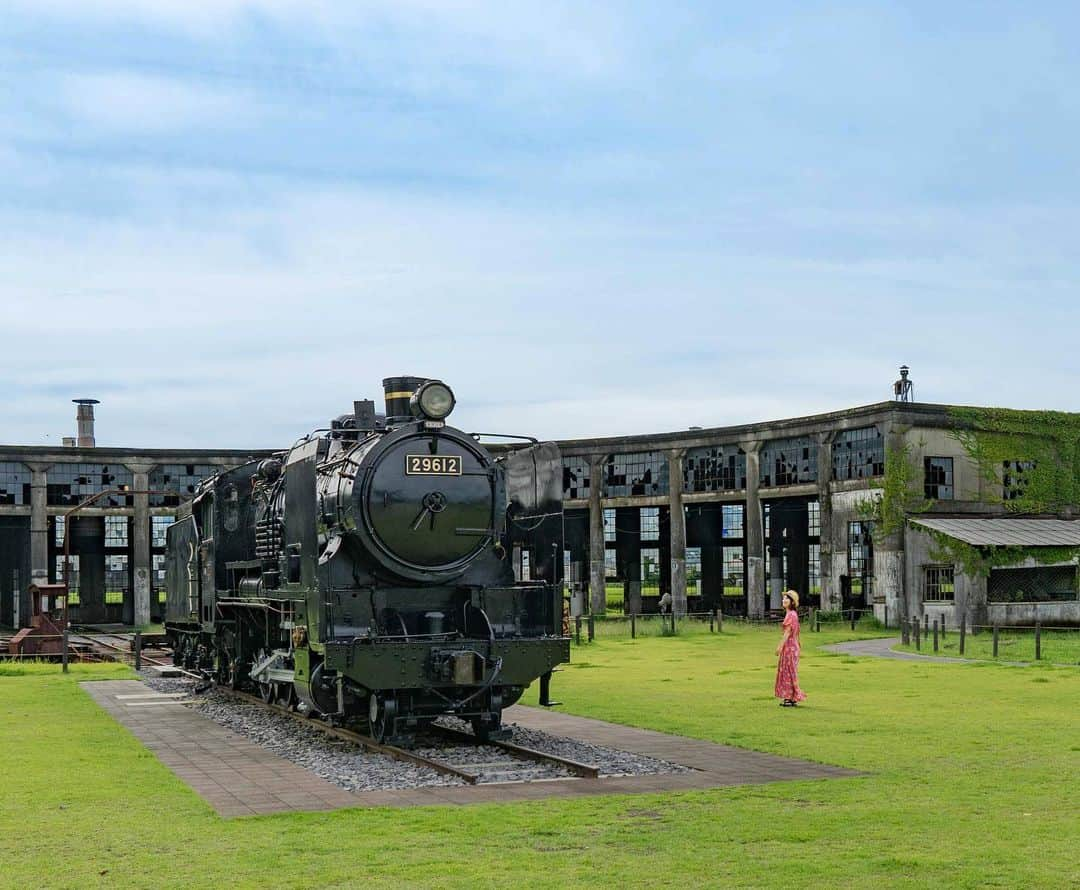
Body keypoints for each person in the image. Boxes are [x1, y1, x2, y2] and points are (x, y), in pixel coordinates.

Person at [774, 589, 806, 707]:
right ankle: (792, 697)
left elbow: (787, 633)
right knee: (790, 671)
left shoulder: (791, 615)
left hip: (789, 647)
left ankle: (789, 697)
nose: (784, 600)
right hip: (793, 647)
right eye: (783, 598)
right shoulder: (792, 614)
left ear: (792, 602)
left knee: (787, 672)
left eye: (787, 598)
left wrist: (779, 647)